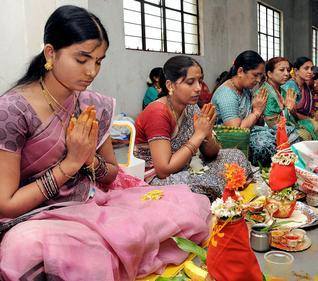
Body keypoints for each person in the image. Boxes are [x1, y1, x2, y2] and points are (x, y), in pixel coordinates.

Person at [0, 6, 211, 281]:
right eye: (82, 59)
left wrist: (89, 160)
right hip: (32, 217)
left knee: (178, 211)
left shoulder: (93, 104)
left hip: (90, 202)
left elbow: (111, 174)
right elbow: (6, 204)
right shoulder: (13, 110)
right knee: (29, 248)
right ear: (51, 53)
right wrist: (71, 163)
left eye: (99, 61)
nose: (92, 71)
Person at [134, 55, 252, 202]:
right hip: (156, 179)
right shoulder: (158, 112)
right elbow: (163, 170)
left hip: (184, 165)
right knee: (205, 181)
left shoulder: (191, 107)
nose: (198, 88)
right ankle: (225, 194)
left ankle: (228, 191)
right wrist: (198, 135)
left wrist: (207, 134)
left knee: (235, 156)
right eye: (190, 82)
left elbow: (211, 154)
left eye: (200, 81)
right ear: (170, 86)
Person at [212, 50, 280, 166]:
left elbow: (253, 122)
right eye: (255, 75)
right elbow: (235, 132)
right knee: (266, 146)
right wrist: (256, 112)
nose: (258, 80)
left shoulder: (245, 89)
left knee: (283, 134)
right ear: (240, 71)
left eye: (260, 76)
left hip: (247, 134)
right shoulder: (227, 94)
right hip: (228, 143)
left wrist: (258, 111)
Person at [257, 56, 314, 141]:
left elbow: (291, 113)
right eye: (281, 70)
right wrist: (287, 109)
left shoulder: (282, 90)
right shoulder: (264, 92)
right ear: (269, 74)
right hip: (269, 133)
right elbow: (271, 123)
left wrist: (291, 110)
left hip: (286, 128)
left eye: (287, 70)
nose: (287, 73)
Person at [281, 57, 318, 138]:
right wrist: (309, 120)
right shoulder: (290, 86)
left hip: (304, 121)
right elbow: (287, 113)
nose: (310, 72)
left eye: (311, 69)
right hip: (291, 124)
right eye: (306, 68)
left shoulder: (305, 87)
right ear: (296, 71)